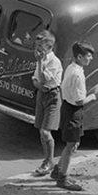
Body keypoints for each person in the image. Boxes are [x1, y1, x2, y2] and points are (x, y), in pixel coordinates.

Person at [53, 42, 97, 190]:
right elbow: (79, 101)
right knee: (71, 145)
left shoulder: (71, 67)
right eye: (88, 56)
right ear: (79, 57)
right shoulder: (77, 75)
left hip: (66, 107)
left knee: (72, 143)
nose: (90, 59)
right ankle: (62, 178)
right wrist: (92, 97)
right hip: (73, 111)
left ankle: (58, 170)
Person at [30, 29, 63, 177]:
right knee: (40, 129)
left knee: (45, 131)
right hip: (41, 95)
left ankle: (49, 161)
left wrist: (39, 62)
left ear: (49, 48)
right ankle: (46, 160)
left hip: (52, 96)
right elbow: (36, 81)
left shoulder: (53, 62)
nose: (37, 51)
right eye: (36, 47)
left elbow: (43, 80)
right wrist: (39, 84)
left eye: (40, 48)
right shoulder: (41, 61)